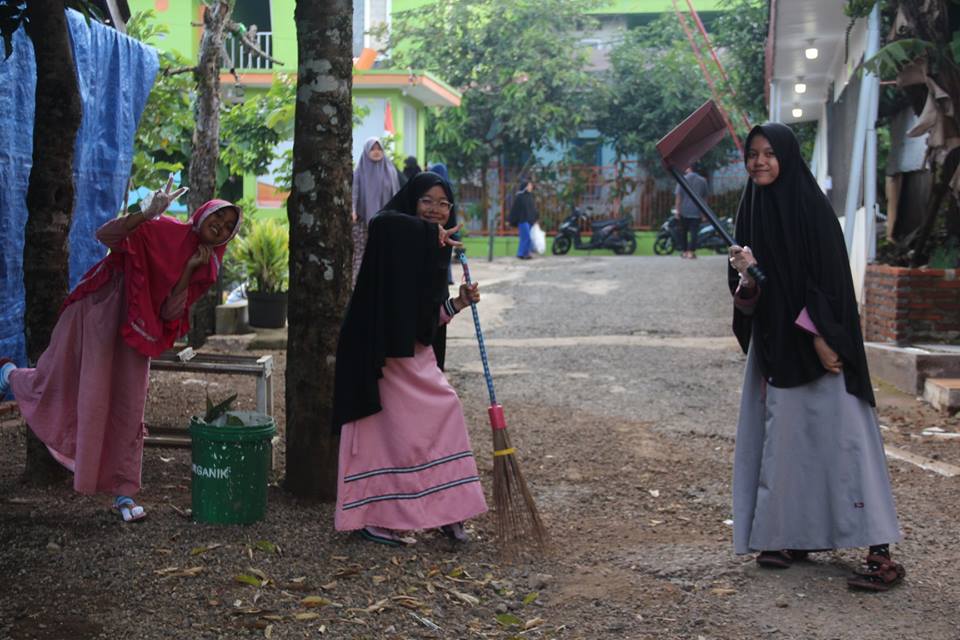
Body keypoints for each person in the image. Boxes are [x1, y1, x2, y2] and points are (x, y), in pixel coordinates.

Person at [0, 179, 241, 522]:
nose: (221, 227)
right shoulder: (161, 229)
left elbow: (172, 312)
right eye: (218, 217)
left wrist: (189, 270)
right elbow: (106, 237)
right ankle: (10, 375)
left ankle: (124, 495)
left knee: (129, 405)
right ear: (203, 215)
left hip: (138, 331)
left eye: (229, 227)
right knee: (61, 383)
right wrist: (143, 215)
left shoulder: (208, 265)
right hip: (98, 310)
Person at [727, 123, 904, 591]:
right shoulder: (752, 210)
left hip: (823, 349)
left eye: (769, 153)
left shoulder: (810, 206)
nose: (760, 162)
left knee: (847, 442)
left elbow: (827, 280)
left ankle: (880, 552)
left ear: (786, 156)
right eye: (753, 154)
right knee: (785, 446)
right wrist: (746, 278)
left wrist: (824, 336)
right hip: (778, 351)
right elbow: (752, 295)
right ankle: (788, 535)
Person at [332, 171, 488, 546]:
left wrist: (460, 302)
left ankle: (448, 511)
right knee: (383, 436)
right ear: (412, 202)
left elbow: (425, 319)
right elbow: (382, 223)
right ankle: (374, 516)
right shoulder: (392, 235)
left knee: (445, 411)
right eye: (427, 201)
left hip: (412, 356)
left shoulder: (434, 251)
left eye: (443, 203)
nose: (435, 210)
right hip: (379, 354)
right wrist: (428, 236)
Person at [352, 137, 400, 285]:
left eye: (379, 149)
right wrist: (352, 210)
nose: (376, 152)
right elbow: (354, 192)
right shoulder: (359, 171)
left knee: (384, 253)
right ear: (367, 151)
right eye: (373, 149)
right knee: (362, 253)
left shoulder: (390, 170)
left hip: (387, 222)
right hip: (363, 221)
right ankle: (360, 286)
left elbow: (396, 194)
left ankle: (382, 284)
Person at [673, 164, 709, 259]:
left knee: (683, 232)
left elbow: (678, 196)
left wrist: (677, 210)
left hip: (684, 211)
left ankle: (684, 251)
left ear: (689, 168)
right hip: (696, 211)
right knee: (694, 233)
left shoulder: (682, 179)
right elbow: (704, 198)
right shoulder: (702, 181)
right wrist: (704, 213)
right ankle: (691, 252)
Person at [508, 179, 538, 260]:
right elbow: (515, 210)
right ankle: (521, 253)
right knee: (526, 237)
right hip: (522, 221)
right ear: (525, 187)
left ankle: (526, 253)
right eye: (529, 185)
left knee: (526, 237)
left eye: (531, 185)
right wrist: (512, 220)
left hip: (530, 221)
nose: (531, 187)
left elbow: (533, 209)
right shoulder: (520, 197)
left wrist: (535, 218)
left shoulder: (530, 197)